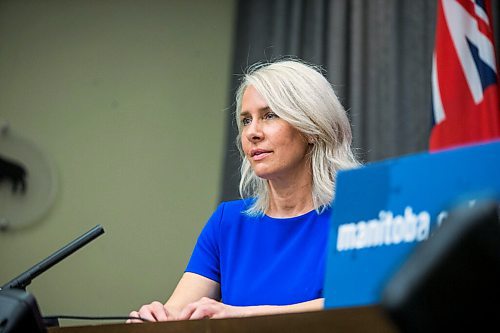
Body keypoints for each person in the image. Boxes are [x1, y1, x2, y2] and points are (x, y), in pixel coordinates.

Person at [127, 58, 360, 323]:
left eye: (269, 115)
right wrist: (153, 320)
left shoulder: (356, 216)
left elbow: (359, 305)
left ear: (312, 129)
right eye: (246, 120)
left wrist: (241, 315)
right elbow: (177, 313)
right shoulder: (228, 222)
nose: (252, 133)